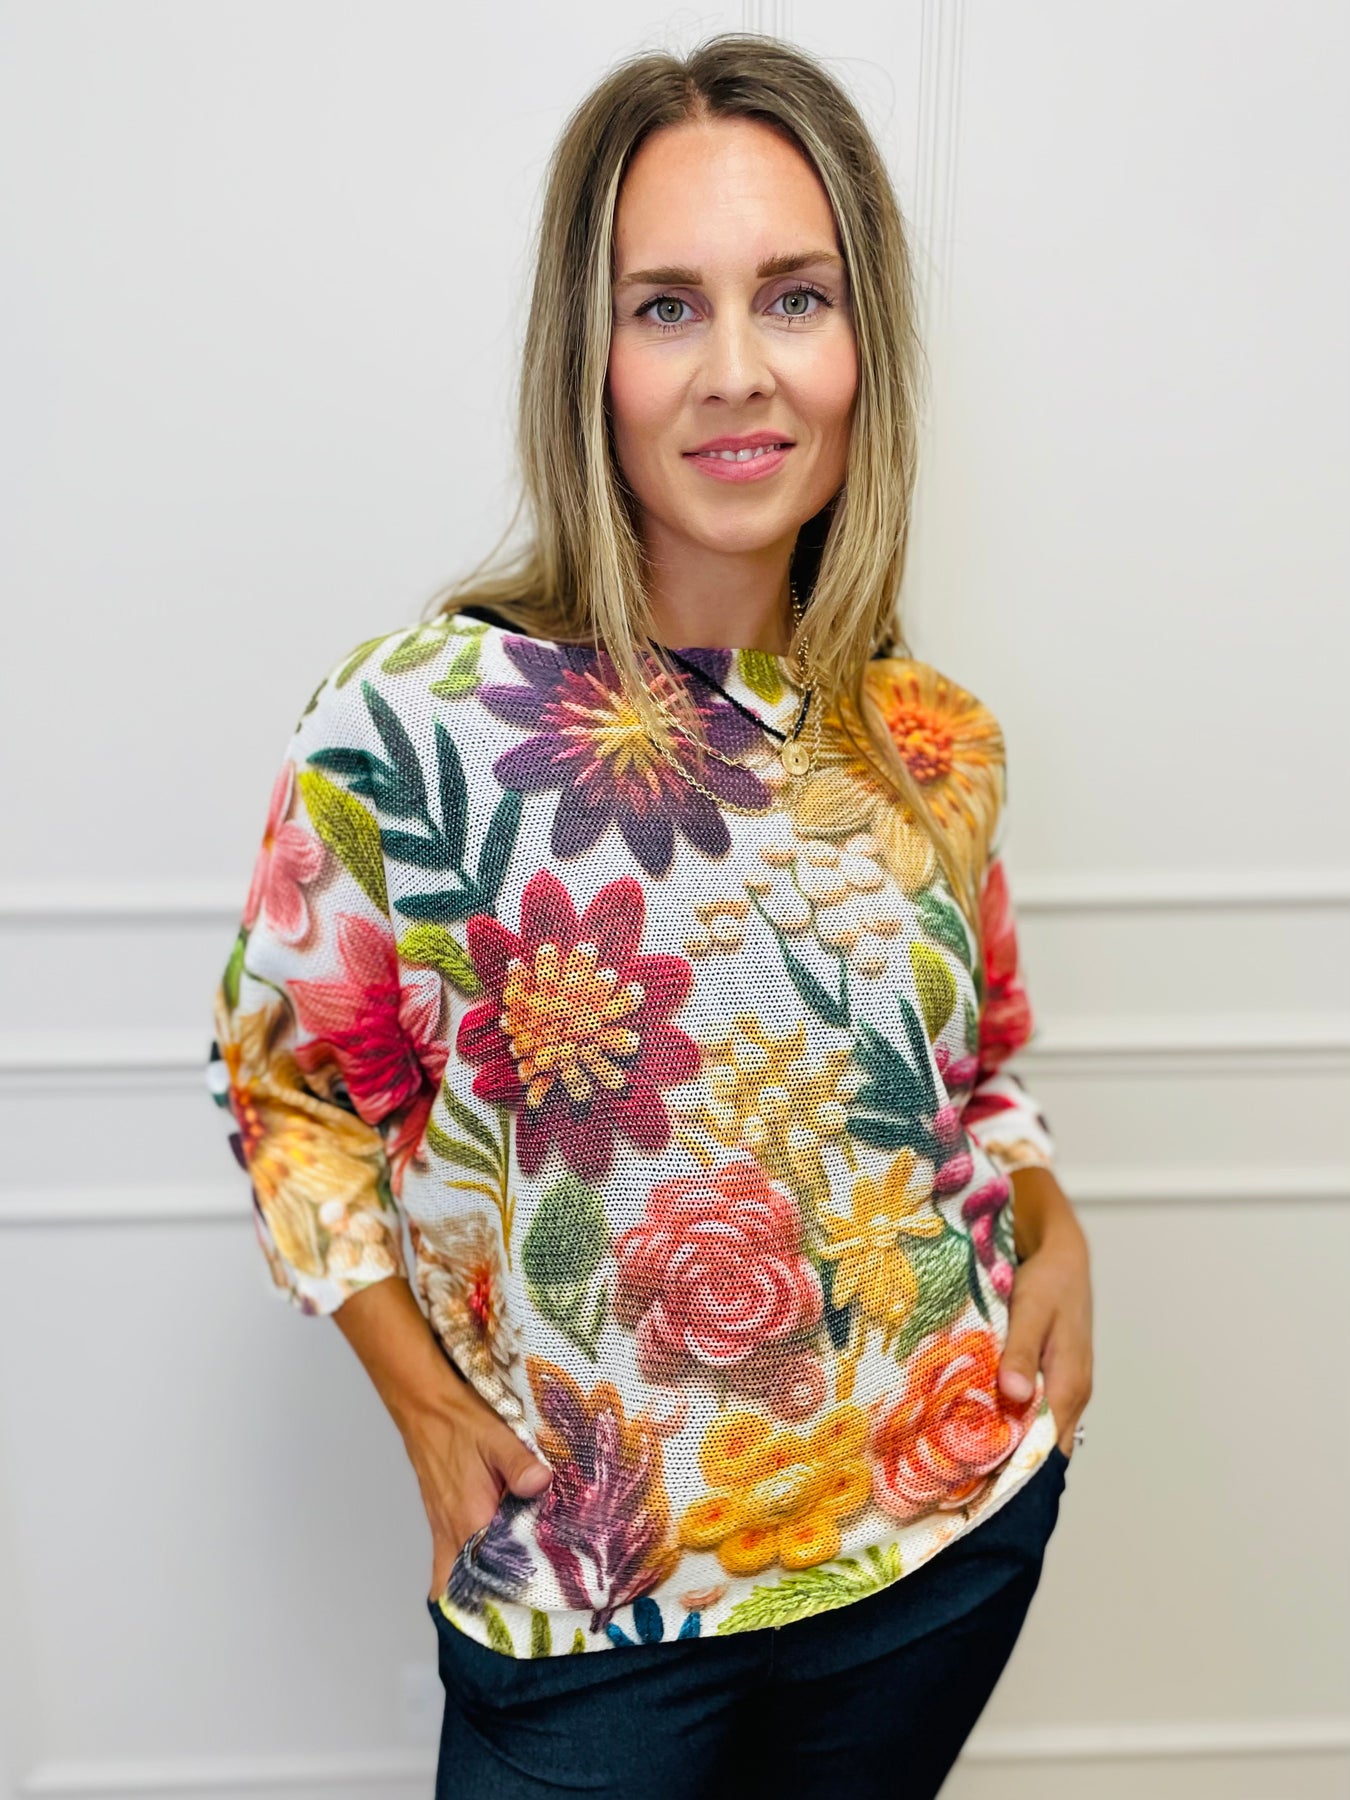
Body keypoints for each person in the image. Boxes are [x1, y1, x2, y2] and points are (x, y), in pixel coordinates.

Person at [205, 30, 1094, 1800]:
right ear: (586, 358)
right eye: (666, 307)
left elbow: (979, 1062)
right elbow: (280, 1087)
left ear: (863, 347)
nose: (738, 371)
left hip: (939, 1544)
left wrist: (1053, 1223)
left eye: (795, 298)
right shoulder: (417, 722)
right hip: (585, 1603)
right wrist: (419, 1400)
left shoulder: (931, 734)